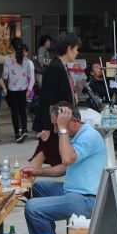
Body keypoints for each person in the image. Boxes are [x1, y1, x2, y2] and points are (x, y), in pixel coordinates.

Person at [22, 101, 106, 234]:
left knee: (33, 208)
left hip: (88, 199)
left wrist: (62, 129)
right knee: (37, 188)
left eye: (57, 125)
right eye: (55, 125)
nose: (55, 130)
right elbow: (63, 168)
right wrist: (36, 171)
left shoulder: (89, 136)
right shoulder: (77, 136)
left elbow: (67, 159)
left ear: (73, 121)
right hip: (74, 192)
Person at [31, 32, 82, 169]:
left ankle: (26, 179)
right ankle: (25, 179)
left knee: (42, 155)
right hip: (54, 124)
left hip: (59, 123)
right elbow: (47, 99)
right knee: (46, 156)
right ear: (69, 49)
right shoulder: (55, 68)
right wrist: (46, 127)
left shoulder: (61, 66)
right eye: (76, 49)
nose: (77, 52)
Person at [3, 38, 35, 143]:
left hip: (12, 90)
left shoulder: (7, 61)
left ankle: (17, 133)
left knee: (14, 112)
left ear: (12, 47)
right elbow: (30, 76)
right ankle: (24, 130)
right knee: (22, 111)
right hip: (23, 89)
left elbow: (5, 76)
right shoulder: (26, 61)